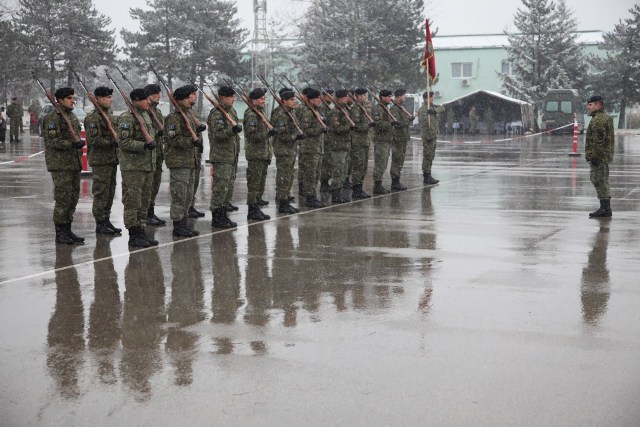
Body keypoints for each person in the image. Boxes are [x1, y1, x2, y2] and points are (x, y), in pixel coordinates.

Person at [42, 87, 85, 244]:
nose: (72, 100)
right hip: (61, 165)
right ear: (59, 100)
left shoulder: (71, 116)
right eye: (69, 98)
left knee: (73, 198)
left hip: (74, 164)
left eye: (73, 98)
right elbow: (52, 141)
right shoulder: (53, 118)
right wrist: (72, 144)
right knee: (63, 199)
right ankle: (60, 233)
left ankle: (67, 229)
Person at [117, 88, 158, 248]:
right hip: (133, 168)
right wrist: (144, 146)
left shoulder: (145, 116)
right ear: (135, 100)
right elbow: (125, 143)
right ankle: (133, 235)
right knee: (133, 201)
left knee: (144, 201)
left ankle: (141, 231)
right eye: (145, 99)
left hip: (147, 166)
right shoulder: (127, 118)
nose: (149, 102)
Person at [164, 85, 201, 237]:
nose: (190, 100)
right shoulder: (174, 117)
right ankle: (178, 225)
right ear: (179, 100)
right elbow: (174, 139)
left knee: (188, 194)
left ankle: (184, 223)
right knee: (179, 195)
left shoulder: (188, 114)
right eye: (187, 98)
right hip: (179, 162)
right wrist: (190, 142)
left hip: (190, 160)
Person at [84, 86, 122, 236]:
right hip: (100, 160)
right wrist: (112, 141)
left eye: (111, 97)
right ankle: (100, 223)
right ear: (99, 98)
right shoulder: (93, 118)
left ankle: (106, 220)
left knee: (110, 192)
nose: (111, 99)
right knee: (101, 193)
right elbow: (94, 140)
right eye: (107, 97)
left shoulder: (108, 114)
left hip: (112, 159)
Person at [207, 85, 242, 228]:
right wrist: (231, 130)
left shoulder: (231, 111)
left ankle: (223, 214)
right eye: (230, 96)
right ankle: (217, 217)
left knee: (227, 187)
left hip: (231, 155)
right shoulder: (216, 114)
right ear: (222, 98)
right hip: (221, 156)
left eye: (233, 96)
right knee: (220, 187)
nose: (233, 99)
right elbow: (218, 135)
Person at [243, 87, 275, 221]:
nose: (264, 100)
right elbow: (252, 135)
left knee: (260, 184)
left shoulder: (260, 112)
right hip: (256, 154)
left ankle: (256, 208)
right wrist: (267, 134)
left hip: (263, 154)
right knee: (254, 184)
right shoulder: (251, 114)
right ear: (254, 100)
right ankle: (252, 210)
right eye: (261, 98)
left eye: (264, 98)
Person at [271, 90, 303, 214]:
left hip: (290, 149)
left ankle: (285, 200)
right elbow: (282, 135)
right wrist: (295, 137)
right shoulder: (281, 114)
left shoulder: (290, 112)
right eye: (291, 99)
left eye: (294, 99)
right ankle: (283, 203)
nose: (294, 101)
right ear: (284, 101)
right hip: (283, 150)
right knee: (284, 177)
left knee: (288, 176)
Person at [584, 95, 615, 218]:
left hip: (599, 157)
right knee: (601, 180)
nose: (588, 107)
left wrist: (594, 156)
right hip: (604, 155)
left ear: (598, 105)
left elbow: (598, 140)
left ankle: (605, 208)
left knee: (599, 180)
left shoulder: (598, 120)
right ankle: (605, 207)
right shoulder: (604, 117)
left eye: (590, 105)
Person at [143, 84, 167, 226]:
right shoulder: (144, 111)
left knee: (155, 185)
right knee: (148, 186)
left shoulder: (156, 111)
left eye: (159, 93)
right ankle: (146, 214)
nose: (159, 96)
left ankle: (150, 212)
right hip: (148, 155)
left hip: (157, 154)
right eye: (156, 93)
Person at [297, 88, 325, 208]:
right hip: (309, 148)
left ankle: (312, 195)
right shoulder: (307, 112)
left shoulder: (316, 110)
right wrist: (320, 129)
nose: (319, 100)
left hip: (317, 148)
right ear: (311, 100)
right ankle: (309, 197)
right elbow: (306, 130)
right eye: (316, 98)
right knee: (310, 174)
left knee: (316, 173)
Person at [327, 89, 352, 204]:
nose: (346, 99)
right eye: (344, 97)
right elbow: (336, 128)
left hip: (345, 145)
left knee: (343, 171)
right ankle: (335, 195)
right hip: (338, 146)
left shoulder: (345, 110)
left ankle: (339, 192)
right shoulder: (335, 112)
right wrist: (349, 127)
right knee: (337, 171)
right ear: (339, 99)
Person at [187, 85, 208, 217]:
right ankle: (186, 209)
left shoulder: (193, 111)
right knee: (186, 186)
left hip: (196, 153)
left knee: (194, 183)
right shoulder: (182, 113)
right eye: (193, 94)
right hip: (187, 154)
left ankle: (190, 206)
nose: (196, 96)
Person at [349, 88, 374, 199]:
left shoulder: (362, 108)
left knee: (363, 167)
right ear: (357, 96)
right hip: (358, 142)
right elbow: (355, 126)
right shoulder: (355, 109)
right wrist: (367, 126)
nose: (365, 97)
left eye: (365, 95)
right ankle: (356, 189)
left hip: (364, 141)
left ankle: (359, 188)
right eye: (363, 95)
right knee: (358, 166)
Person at [372, 89, 397, 194]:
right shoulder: (378, 109)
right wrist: (390, 123)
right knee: (380, 163)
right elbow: (378, 124)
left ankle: (379, 184)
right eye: (388, 96)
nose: (390, 98)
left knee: (384, 163)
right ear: (382, 97)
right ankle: (377, 186)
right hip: (380, 140)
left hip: (386, 140)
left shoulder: (386, 108)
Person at [389, 88, 414, 191]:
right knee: (397, 160)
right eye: (404, 95)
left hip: (403, 138)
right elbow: (397, 123)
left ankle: (397, 180)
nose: (405, 97)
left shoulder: (401, 107)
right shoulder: (394, 109)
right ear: (399, 96)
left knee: (401, 160)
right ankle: (395, 182)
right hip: (397, 138)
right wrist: (408, 120)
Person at [419, 91, 441, 185]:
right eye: (432, 97)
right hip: (428, 136)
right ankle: (426, 176)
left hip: (433, 136)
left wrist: (435, 111)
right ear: (427, 98)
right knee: (427, 156)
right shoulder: (424, 109)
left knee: (431, 156)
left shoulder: (431, 107)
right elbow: (424, 125)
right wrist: (428, 135)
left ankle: (429, 174)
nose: (433, 99)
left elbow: (442, 107)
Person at [318, 89, 334, 193]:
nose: (332, 97)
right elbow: (323, 120)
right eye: (330, 95)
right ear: (323, 96)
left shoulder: (330, 107)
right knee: (325, 163)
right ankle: (323, 183)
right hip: (324, 139)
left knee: (329, 162)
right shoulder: (321, 108)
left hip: (330, 139)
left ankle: (326, 182)